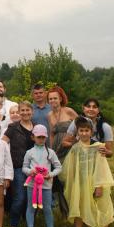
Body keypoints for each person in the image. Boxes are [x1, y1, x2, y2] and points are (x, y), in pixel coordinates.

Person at [60, 116, 114, 227]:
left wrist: (99, 186)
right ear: (77, 132)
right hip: (80, 183)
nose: (84, 133)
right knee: (79, 206)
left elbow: (101, 168)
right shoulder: (75, 148)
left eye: (86, 131)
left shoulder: (98, 147)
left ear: (91, 132)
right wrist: (74, 184)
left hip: (96, 182)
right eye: (81, 131)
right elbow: (70, 167)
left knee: (101, 205)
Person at [22, 125, 62, 227]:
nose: (41, 139)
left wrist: (50, 174)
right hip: (32, 185)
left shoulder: (50, 152)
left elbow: (59, 167)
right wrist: (30, 171)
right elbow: (24, 168)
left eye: (43, 137)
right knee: (31, 207)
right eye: (38, 137)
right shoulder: (29, 152)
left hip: (46, 186)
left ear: (46, 138)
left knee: (47, 208)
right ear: (33, 137)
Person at [2, 101, 35, 227]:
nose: (25, 113)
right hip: (18, 167)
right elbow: (2, 144)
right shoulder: (13, 127)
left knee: (32, 198)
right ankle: (13, 224)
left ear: (32, 112)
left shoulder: (37, 127)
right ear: (19, 112)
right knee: (20, 197)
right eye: (23, 110)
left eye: (28, 110)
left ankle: (29, 222)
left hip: (34, 169)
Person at [47, 86, 79, 216]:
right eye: (50, 99)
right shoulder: (49, 115)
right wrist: (51, 151)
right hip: (57, 149)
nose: (53, 101)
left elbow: (82, 126)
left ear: (60, 98)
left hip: (70, 148)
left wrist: (74, 142)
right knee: (59, 179)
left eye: (55, 98)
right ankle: (65, 211)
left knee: (69, 178)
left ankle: (75, 208)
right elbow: (52, 134)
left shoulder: (69, 111)